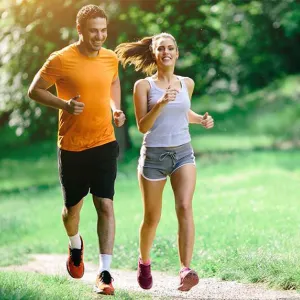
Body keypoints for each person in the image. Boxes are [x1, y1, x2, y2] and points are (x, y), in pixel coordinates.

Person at [28, 4, 125, 296]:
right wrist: (65, 105)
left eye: (104, 31)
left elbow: (114, 82)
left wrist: (115, 108)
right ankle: (75, 245)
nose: (99, 36)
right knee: (72, 210)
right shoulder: (60, 60)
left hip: (104, 141)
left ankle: (105, 272)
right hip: (71, 146)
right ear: (79, 30)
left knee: (105, 204)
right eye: (93, 31)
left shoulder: (110, 58)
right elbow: (34, 90)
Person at [115, 32, 214, 292]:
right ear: (154, 54)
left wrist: (200, 120)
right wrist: (159, 103)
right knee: (152, 217)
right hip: (154, 157)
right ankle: (144, 262)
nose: (166, 52)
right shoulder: (143, 86)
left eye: (171, 48)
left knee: (184, 206)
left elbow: (183, 112)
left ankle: (185, 269)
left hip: (183, 152)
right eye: (161, 49)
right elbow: (142, 126)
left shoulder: (186, 83)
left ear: (177, 53)